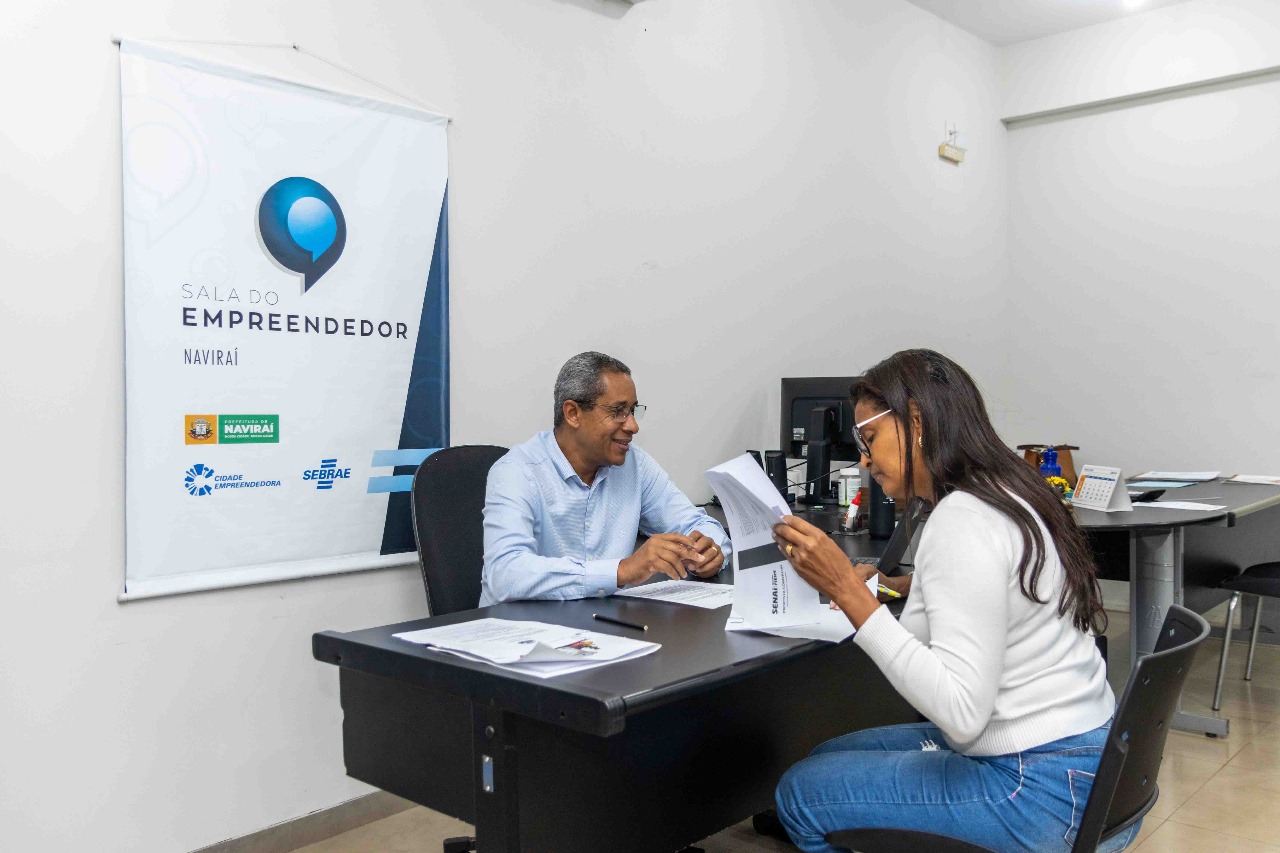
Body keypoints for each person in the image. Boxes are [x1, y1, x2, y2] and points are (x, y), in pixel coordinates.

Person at [772, 349, 1131, 853]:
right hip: (1093, 766)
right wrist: (897, 587)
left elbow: (962, 715)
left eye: (869, 438)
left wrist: (848, 593)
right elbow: (992, 591)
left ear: (916, 421)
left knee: (800, 793)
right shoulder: (1009, 490)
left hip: (1039, 789)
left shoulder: (961, 521)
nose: (864, 459)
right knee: (827, 756)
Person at [480, 351, 731, 606]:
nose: (633, 426)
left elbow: (697, 523)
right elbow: (505, 574)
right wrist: (621, 571)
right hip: (522, 627)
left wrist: (710, 552)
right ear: (573, 413)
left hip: (603, 624)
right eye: (618, 411)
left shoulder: (634, 465)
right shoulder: (517, 471)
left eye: (632, 411)